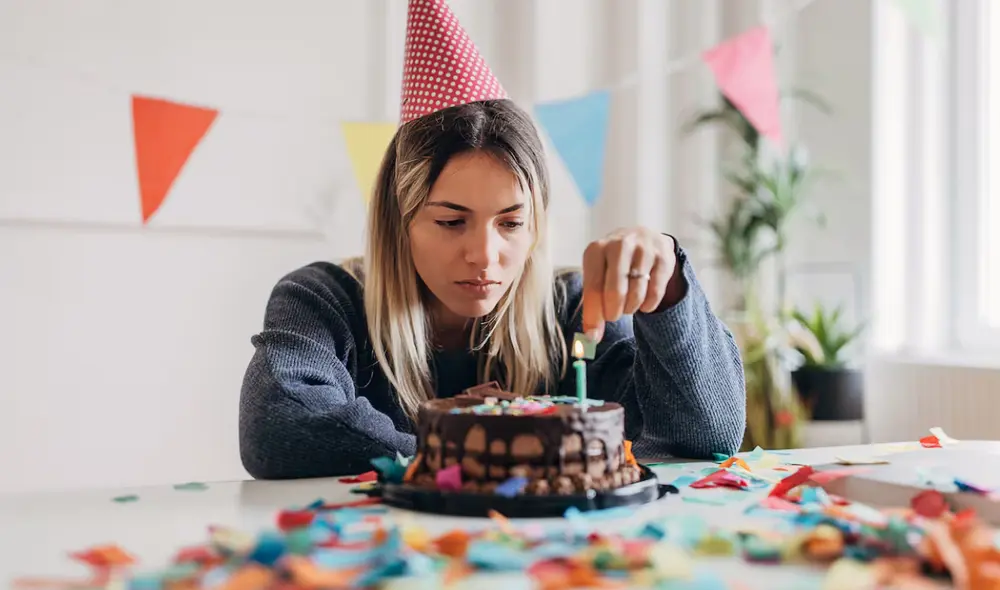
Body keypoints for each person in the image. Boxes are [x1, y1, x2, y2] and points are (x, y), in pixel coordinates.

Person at [238, 0, 746, 480]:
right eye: (451, 221)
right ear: (400, 219)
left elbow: (705, 438)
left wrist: (670, 289)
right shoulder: (324, 299)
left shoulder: (570, 309)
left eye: (510, 223)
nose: (484, 255)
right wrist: (497, 456)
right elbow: (278, 426)